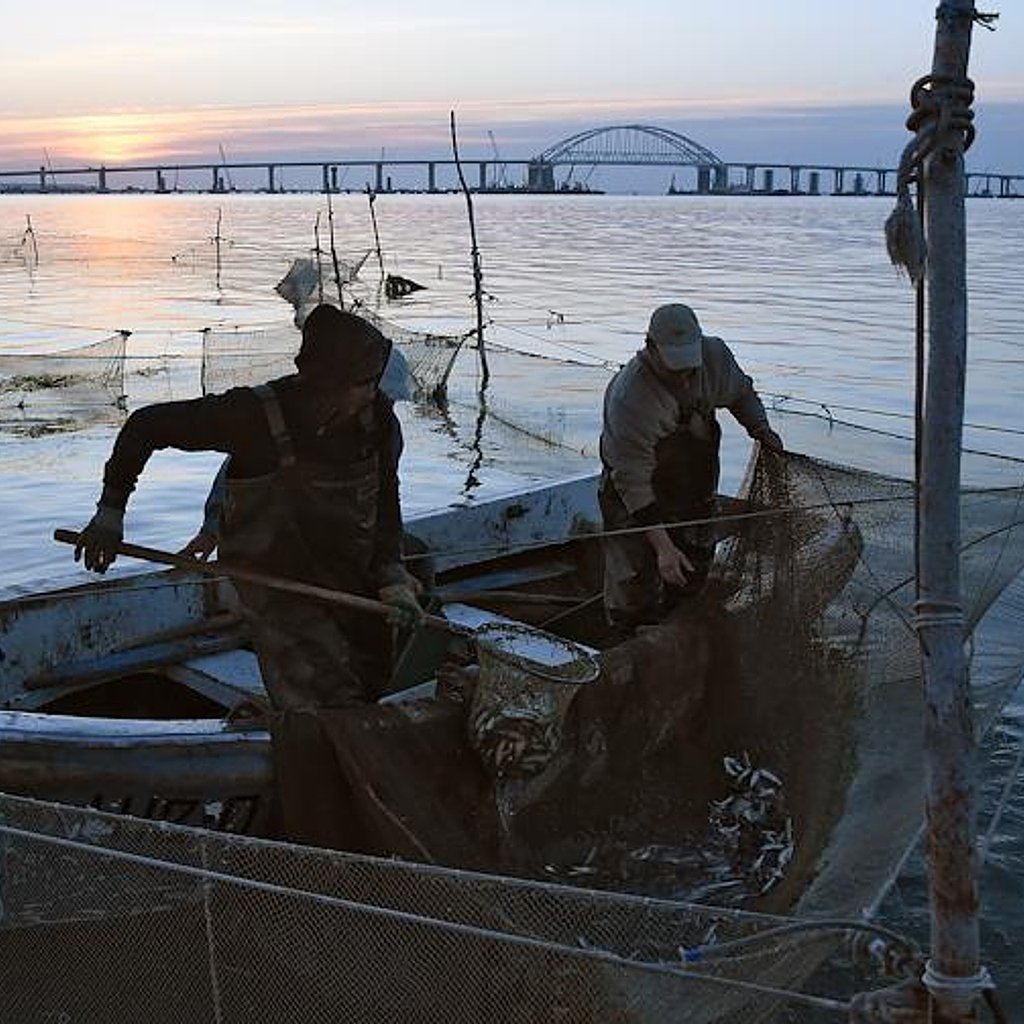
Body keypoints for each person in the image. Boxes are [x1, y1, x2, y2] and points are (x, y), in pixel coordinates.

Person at [75, 303, 423, 711]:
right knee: (323, 695)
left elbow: (386, 504)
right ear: (327, 382)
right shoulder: (253, 415)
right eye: (364, 383)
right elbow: (145, 426)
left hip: (346, 564)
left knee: (378, 669)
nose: (372, 394)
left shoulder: (378, 421)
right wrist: (110, 513)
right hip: (274, 577)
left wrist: (393, 573)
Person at [598, 302, 783, 635]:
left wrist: (761, 429)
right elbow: (632, 482)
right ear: (650, 347)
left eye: (689, 365)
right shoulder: (631, 398)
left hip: (691, 491)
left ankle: (680, 635)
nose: (684, 375)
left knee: (691, 575)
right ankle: (627, 640)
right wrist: (664, 547)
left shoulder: (714, 357)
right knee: (633, 582)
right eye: (674, 367)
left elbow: (741, 394)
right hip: (633, 493)